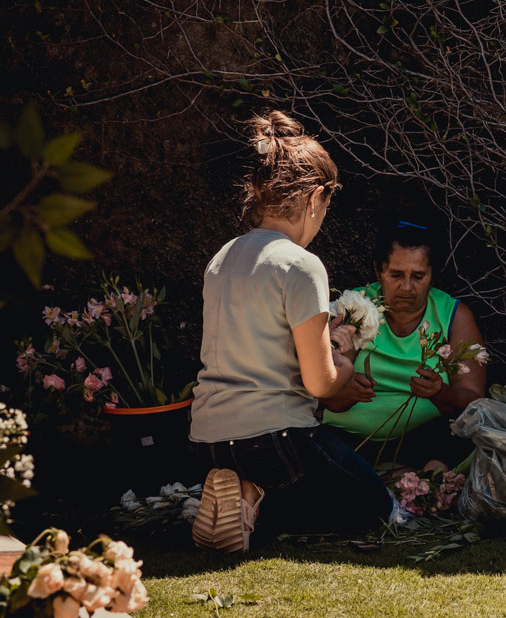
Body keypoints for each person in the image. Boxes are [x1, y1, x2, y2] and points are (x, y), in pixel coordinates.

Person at [190, 111, 396, 553]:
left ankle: (238, 499)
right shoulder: (301, 264)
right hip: (275, 440)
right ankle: (254, 500)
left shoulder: (222, 258)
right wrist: (343, 359)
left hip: (209, 441)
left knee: (310, 483)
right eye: (327, 206)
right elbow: (320, 383)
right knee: (372, 505)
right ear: (316, 197)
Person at [321, 219, 486, 470]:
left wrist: (440, 391)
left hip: (425, 439)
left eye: (418, 276)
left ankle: (424, 479)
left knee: (469, 434)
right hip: (349, 440)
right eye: (396, 275)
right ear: (378, 271)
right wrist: (349, 392)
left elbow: (473, 401)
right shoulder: (356, 307)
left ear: (432, 274)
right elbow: (325, 396)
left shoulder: (453, 315)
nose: (407, 287)